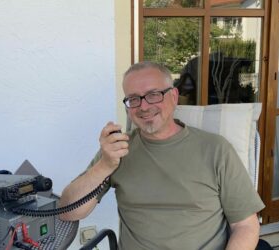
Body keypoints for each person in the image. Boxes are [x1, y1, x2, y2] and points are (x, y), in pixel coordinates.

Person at [58, 61, 265, 249]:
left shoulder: (216, 149)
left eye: (153, 94)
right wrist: (104, 165)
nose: (144, 106)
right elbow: (68, 212)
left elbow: (245, 225)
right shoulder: (116, 151)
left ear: (174, 96)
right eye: (133, 99)